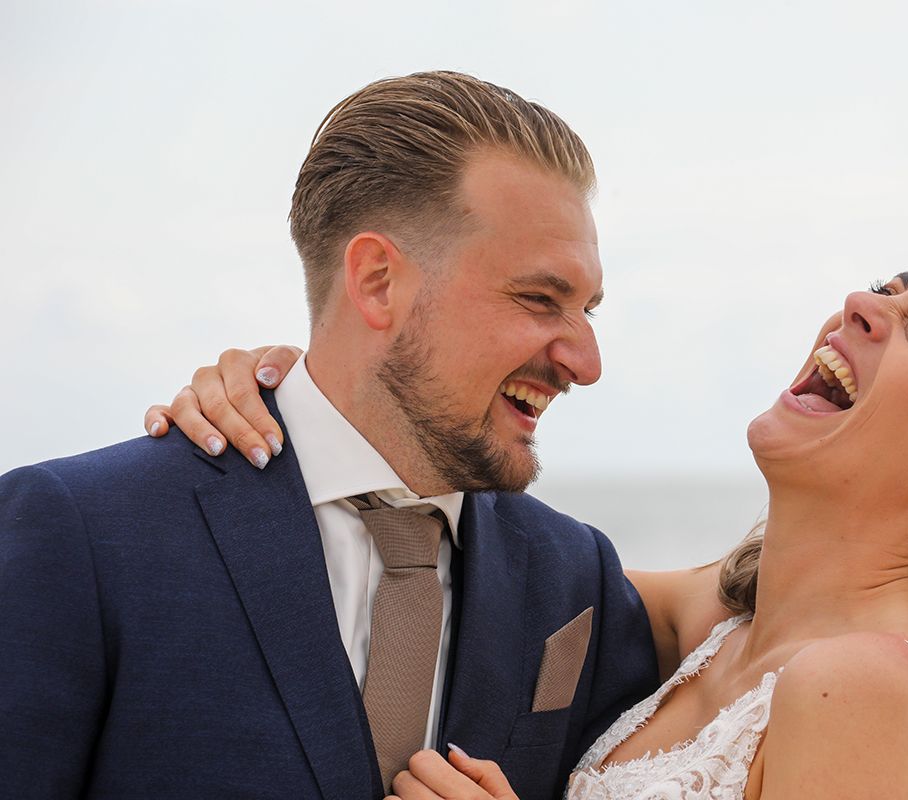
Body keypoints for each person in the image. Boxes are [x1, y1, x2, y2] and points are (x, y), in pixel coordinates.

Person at [161, 244, 908, 799]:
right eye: (888, 283)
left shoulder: (865, 684)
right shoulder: (719, 621)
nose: (863, 304)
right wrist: (302, 403)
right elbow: (475, 549)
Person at [0, 72, 660, 800]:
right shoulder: (84, 534)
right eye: (540, 299)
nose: (585, 364)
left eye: (587, 311)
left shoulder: (577, 579)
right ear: (377, 281)